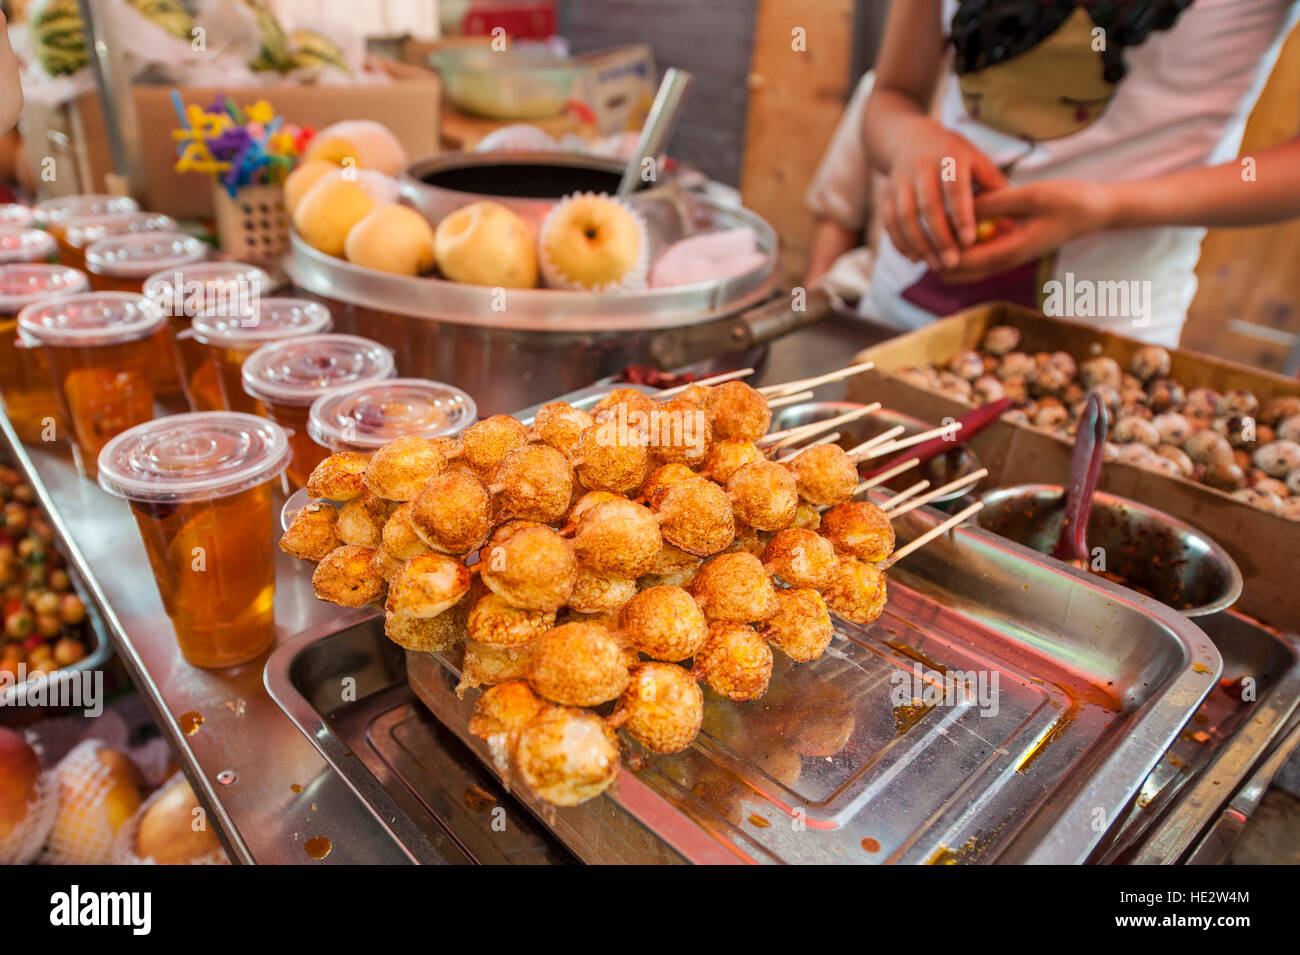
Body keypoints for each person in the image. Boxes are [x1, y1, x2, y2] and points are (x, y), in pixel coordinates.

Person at [861, 0, 1300, 346]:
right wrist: (910, 139)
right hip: (896, 318)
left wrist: (1111, 207)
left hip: (1104, 344)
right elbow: (892, 96)